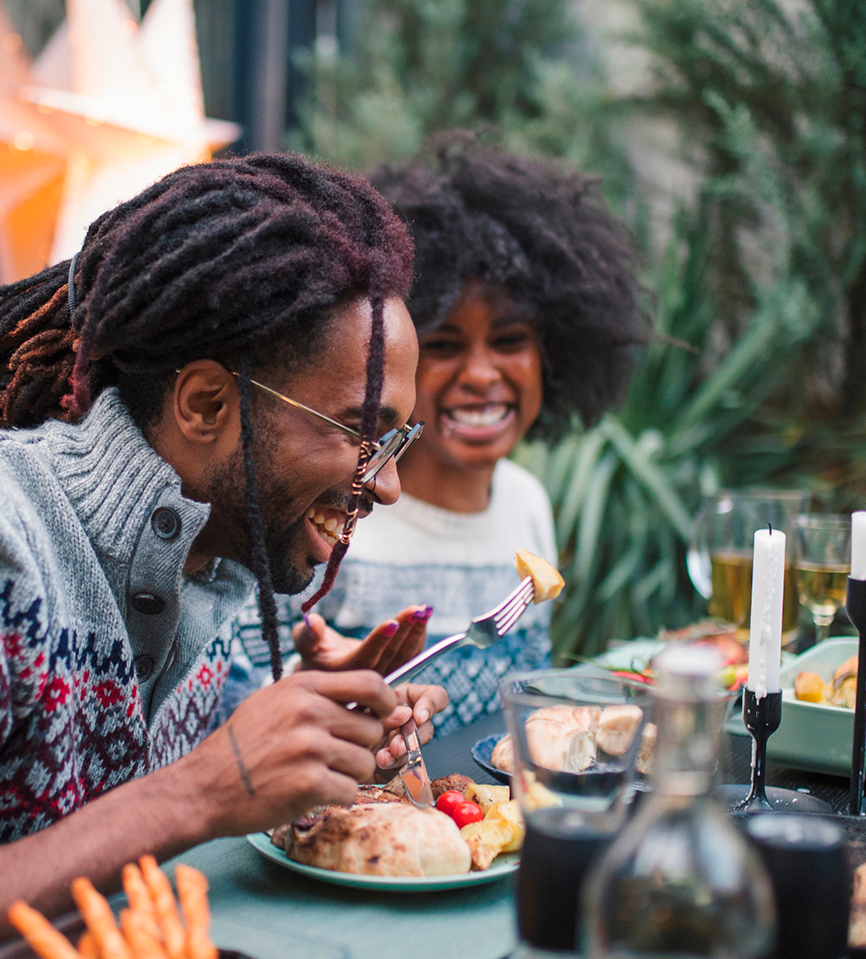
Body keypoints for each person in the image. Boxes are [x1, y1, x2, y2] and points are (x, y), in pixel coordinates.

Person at [0, 153, 447, 959]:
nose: (391, 484)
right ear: (206, 403)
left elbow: (242, 779)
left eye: (396, 438)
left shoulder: (226, 552)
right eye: (360, 436)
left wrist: (338, 732)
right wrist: (194, 795)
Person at [226, 138, 646, 732]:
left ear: (552, 355)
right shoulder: (326, 514)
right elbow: (251, 704)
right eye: (444, 346)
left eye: (509, 341)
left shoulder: (527, 503)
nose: (481, 375)